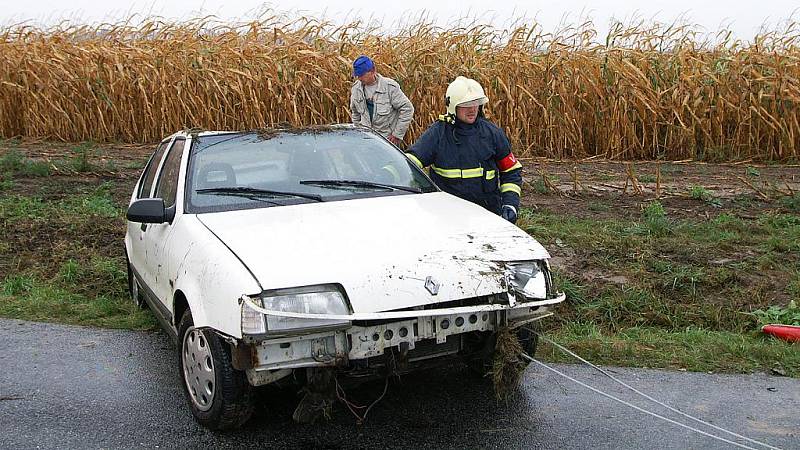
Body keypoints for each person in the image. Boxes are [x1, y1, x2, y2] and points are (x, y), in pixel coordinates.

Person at [406, 76, 522, 223]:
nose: (473, 109)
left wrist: (510, 204)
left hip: (488, 215)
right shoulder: (438, 134)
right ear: (453, 106)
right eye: (466, 104)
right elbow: (409, 164)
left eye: (476, 103)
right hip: (448, 217)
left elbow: (511, 171)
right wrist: (384, 173)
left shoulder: (492, 133)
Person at [350, 55, 414, 147]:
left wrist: (397, 135)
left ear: (372, 71)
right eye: (357, 75)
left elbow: (407, 109)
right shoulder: (356, 88)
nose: (359, 78)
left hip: (387, 141)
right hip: (366, 140)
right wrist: (359, 132)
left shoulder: (389, 87)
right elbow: (355, 112)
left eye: (362, 75)